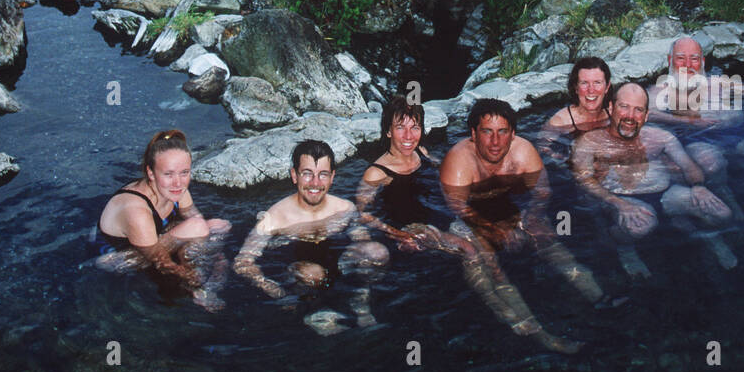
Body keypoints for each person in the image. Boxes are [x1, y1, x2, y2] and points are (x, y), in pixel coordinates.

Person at [440, 99, 614, 355]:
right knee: (486, 264)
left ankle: (600, 299)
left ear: (513, 133)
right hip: (471, 219)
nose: (495, 141)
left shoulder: (523, 151)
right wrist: (495, 231)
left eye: (503, 132)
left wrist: (531, 219)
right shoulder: (458, 162)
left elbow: (542, 192)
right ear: (474, 134)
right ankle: (537, 333)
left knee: (546, 237)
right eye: (487, 131)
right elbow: (459, 209)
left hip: (512, 209)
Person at [572, 82, 734, 275]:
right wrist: (618, 203)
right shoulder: (591, 141)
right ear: (610, 108)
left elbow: (688, 166)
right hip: (623, 198)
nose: (630, 116)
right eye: (624, 107)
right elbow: (583, 179)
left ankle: (710, 236)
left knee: (722, 213)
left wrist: (698, 186)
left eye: (638, 109)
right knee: (638, 229)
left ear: (646, 115)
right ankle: (625, 248)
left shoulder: (660, 137)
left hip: (667, 193)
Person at [235, 139, 389, 331]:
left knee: (376, 252)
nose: (315, 183)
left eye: (322, 174)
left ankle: (361, 301)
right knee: (312, 273)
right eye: (307, 174)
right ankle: (313, 311)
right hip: (296, 271)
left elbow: (361, 238)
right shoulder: (274, 218)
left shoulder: (344, 208)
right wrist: (276, 291)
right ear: (294, 175)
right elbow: (242, 262)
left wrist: (360, 259)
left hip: (336, 264)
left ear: (332, 177)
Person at [649, 35, 744, 226]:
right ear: (670, 61)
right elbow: (645, 117)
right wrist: (686, 120)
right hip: (698, 140)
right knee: (712, 164)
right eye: (681, 58)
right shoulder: (659, 92)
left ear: (702, 62)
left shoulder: (717, 82)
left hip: (737, 135)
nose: (688, 64)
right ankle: (728, 199)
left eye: (694, 58)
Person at [95, 128, 231, 309]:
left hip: (156, 238)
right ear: (151, 173)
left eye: (184, 172)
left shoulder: (176, 188)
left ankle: (203, 285)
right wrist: (191, 277)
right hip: (117, 258)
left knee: (220, 226)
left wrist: (215, 254)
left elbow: (197, 219)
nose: (178, 182)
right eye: (168, 174)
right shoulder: (136, 211)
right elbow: (160, 261)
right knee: (197, 228)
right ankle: (201, 292)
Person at [357, 95, 474, 257]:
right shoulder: (376, 172)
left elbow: (446, 170)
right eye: (400, 127)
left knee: (479, 241)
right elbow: (362, 214)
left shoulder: (422, 153)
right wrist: (395, 232)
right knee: (469, 250)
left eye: (415, 127)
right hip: (409, 230)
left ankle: (498, 281)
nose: (408, 136)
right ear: (388, 131)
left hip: (439, 218)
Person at [541, 57, 612, 160]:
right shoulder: (560, 122)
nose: (591, 90)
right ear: (576, 88)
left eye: (597, 82)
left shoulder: (614, 114)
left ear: (607, 87)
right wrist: (560, 159)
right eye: (584, 83)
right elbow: (542, 150)